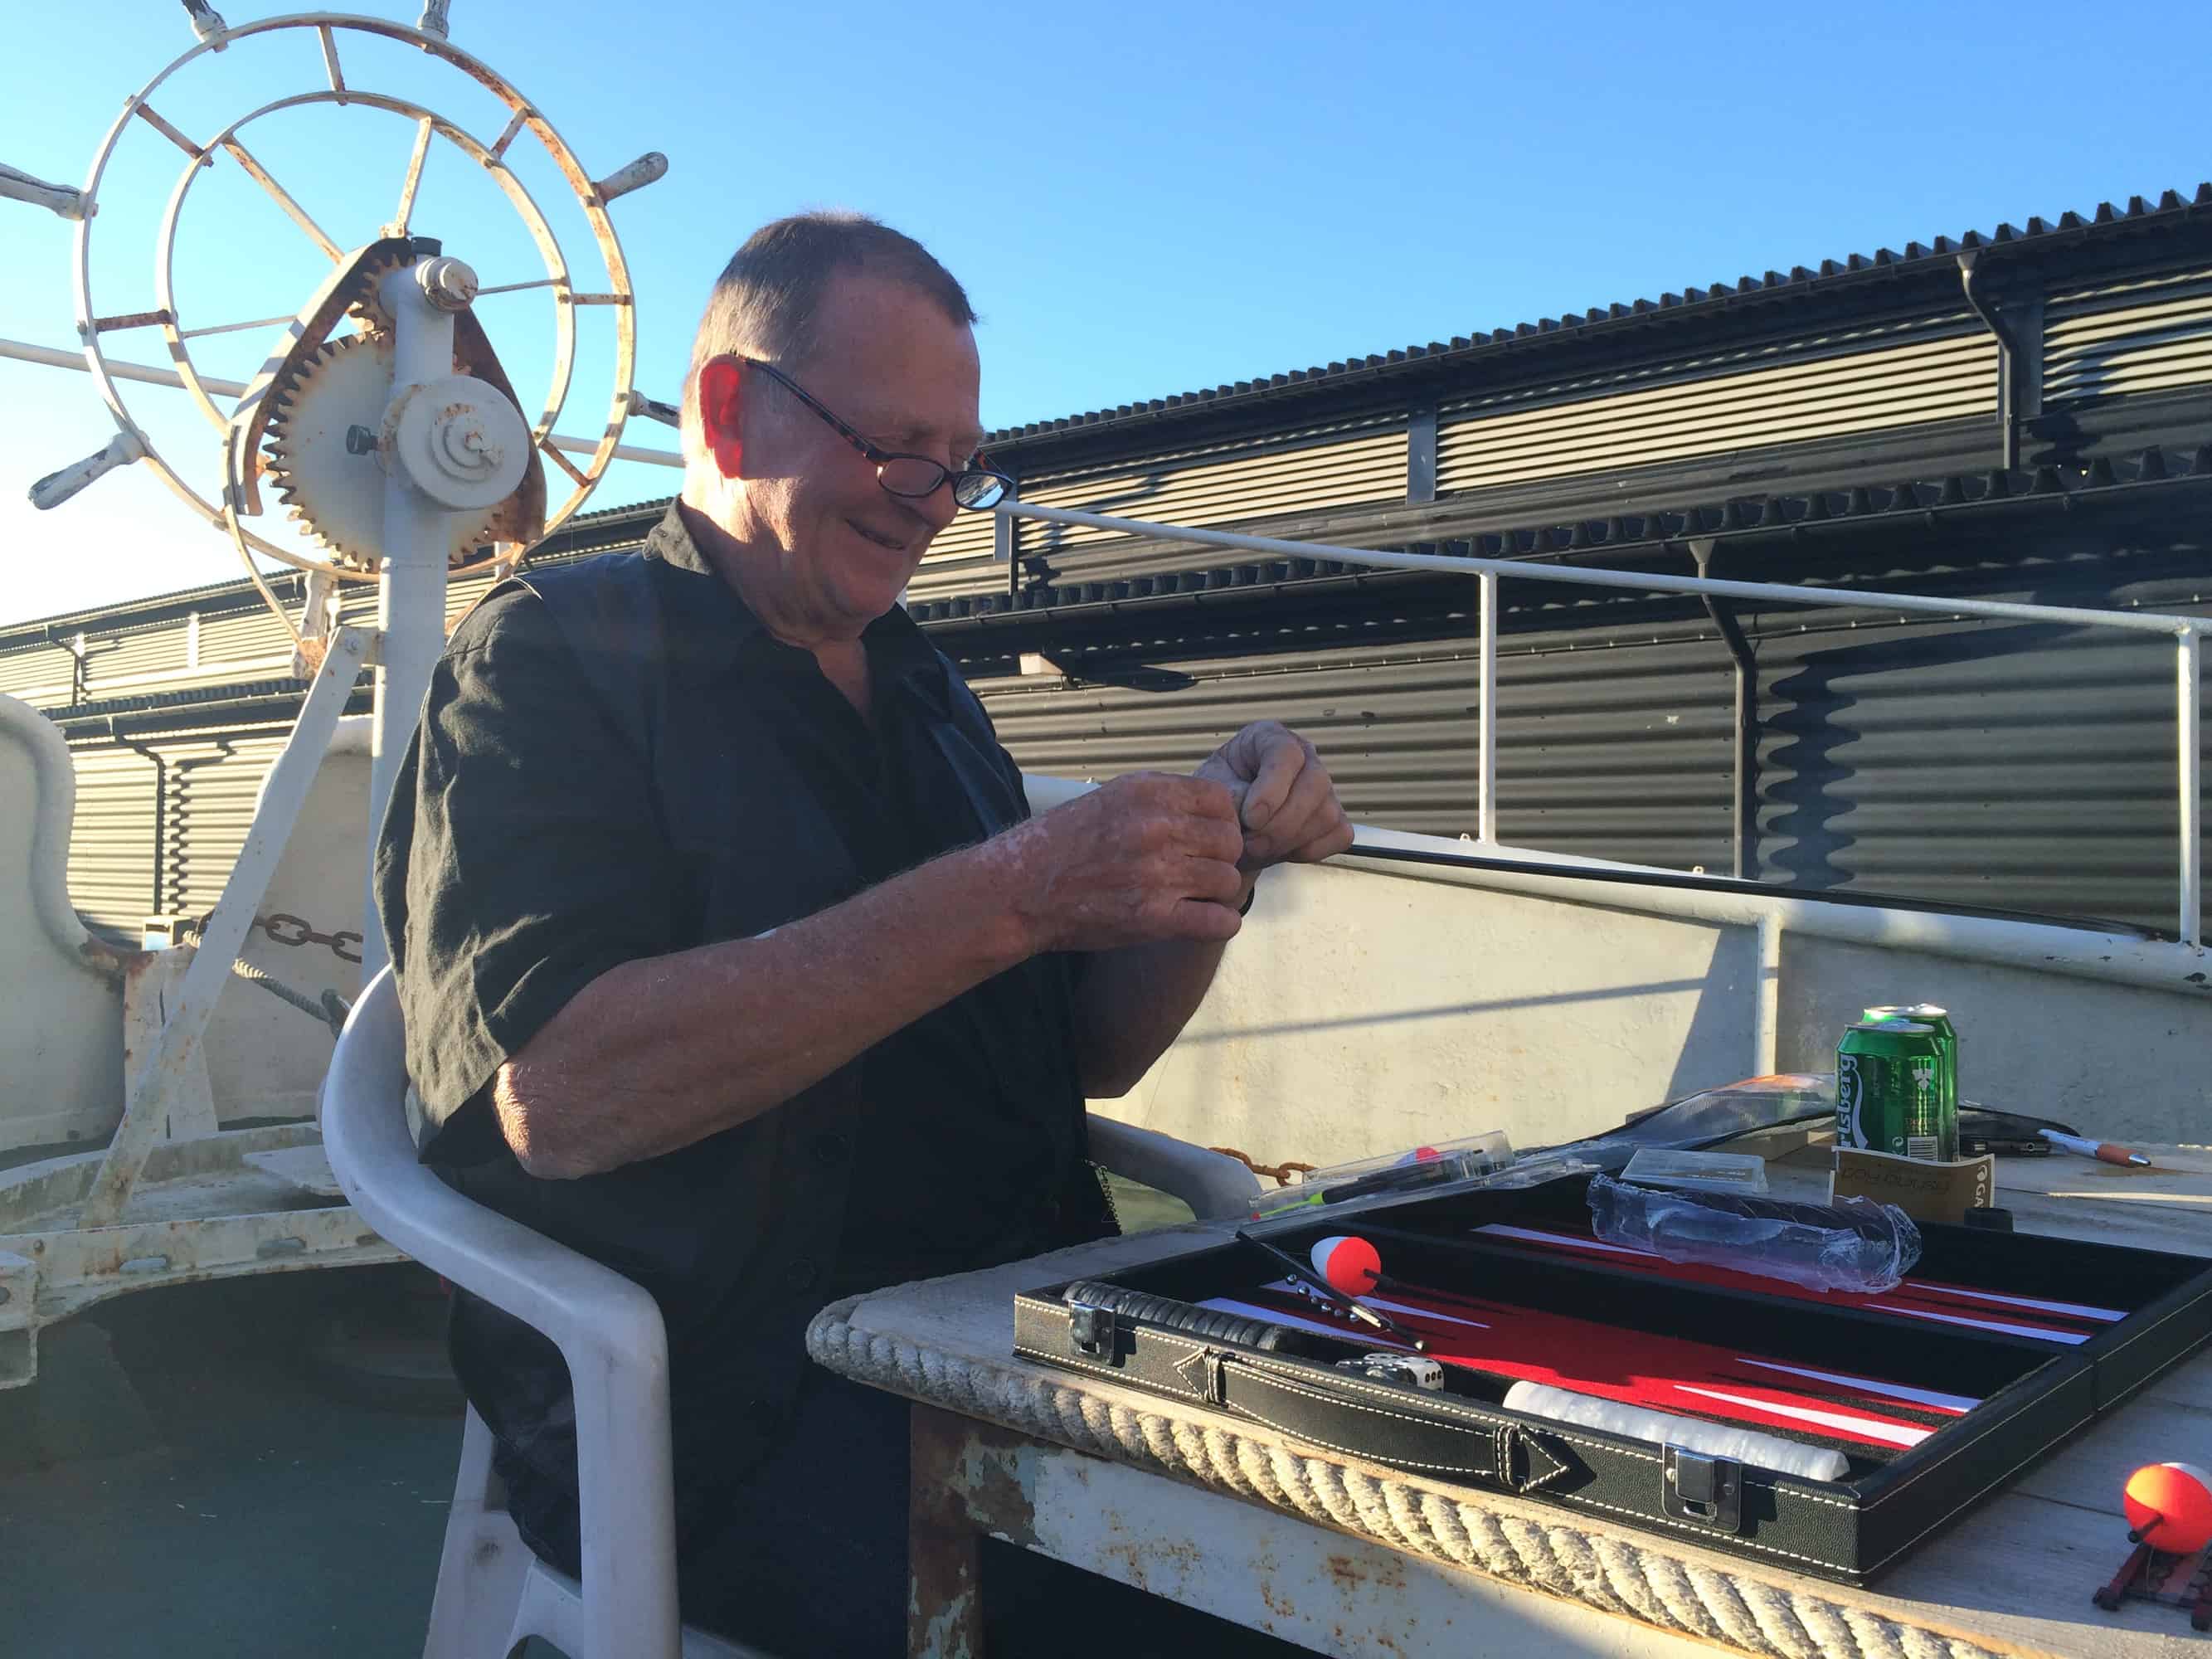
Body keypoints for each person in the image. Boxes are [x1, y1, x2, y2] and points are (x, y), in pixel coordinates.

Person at [374, 212, 1354, 1652]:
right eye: (893, 449)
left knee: (1437, 1522)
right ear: (726, 404)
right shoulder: (546, 659)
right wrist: (1015, 889)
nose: (932, 502)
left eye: (959, 465)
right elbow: (562, 1094)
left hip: (1030, 1336)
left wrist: (1215, 863)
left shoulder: (925, 689)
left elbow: (1089, 1055)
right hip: (730, 1410)